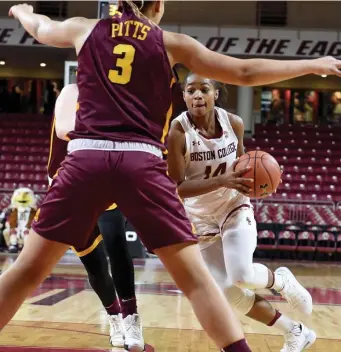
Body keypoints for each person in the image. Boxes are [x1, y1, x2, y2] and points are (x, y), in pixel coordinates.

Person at [3, 1, 341, 351]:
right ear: (158, 5)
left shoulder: (83, 28)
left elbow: (41, 28)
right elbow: (243, 72)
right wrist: (314, 64)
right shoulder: (170, 42)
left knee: (26, 271)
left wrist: (24, 11)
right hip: (141, 161)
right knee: (197, 283)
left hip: (86, 155)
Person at [167, 73, 316, 352]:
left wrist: (263, 179)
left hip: (233, 206)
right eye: (191, 91)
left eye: (204, 89)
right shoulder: (178, 132)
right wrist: (221, 180)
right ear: (184, 96)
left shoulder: (233, 123)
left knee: (242, 275)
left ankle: (280, 280)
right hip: (200, 219)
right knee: (228, 292)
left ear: (215, 94)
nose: (197, 95)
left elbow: (245, 165)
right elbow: (177, 187)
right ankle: (295, 332)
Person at [48, 83, 143, 349]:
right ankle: (114, 318)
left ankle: (131, 317)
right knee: (95, 264)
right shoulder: (72, 91)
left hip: (105, 181)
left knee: (118, 246)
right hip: (68, 184)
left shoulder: (121, 99)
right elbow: (64, 129)